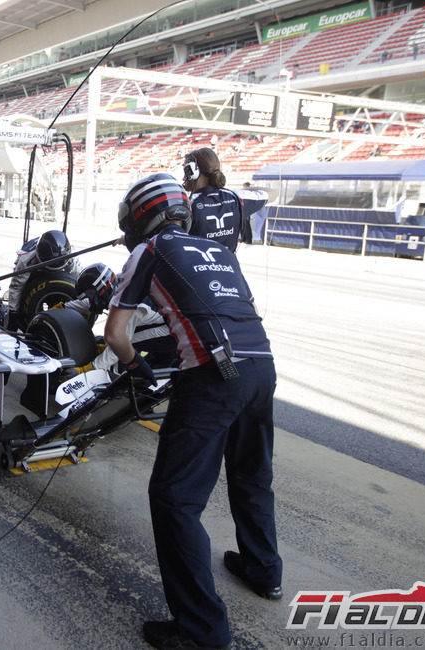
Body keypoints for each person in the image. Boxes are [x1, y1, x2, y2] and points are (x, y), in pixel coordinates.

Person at [103, 173, 281, 650]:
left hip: (212, 376)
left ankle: (201, 631)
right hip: (262, 368)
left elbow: (116, 334)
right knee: (250, 474)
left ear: (143, 218)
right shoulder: (222, 252)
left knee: (174, 499)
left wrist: (138, 368)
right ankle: (264, 571)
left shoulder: (149, 251)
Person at [182, 147, 269, 252]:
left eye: (186, 170)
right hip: (230, 266)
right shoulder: (235, 197)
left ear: (193, 171)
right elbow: (272, 193)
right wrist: (246, 190)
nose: (184, 176)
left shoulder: (186, 204)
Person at [4, 230, 81, 330]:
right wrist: (13, 311)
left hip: (60, 271)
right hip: (34, 272)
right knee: (16, 311)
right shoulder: (26, 260)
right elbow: (17, 286)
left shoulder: (72, 257)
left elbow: (77, 280)